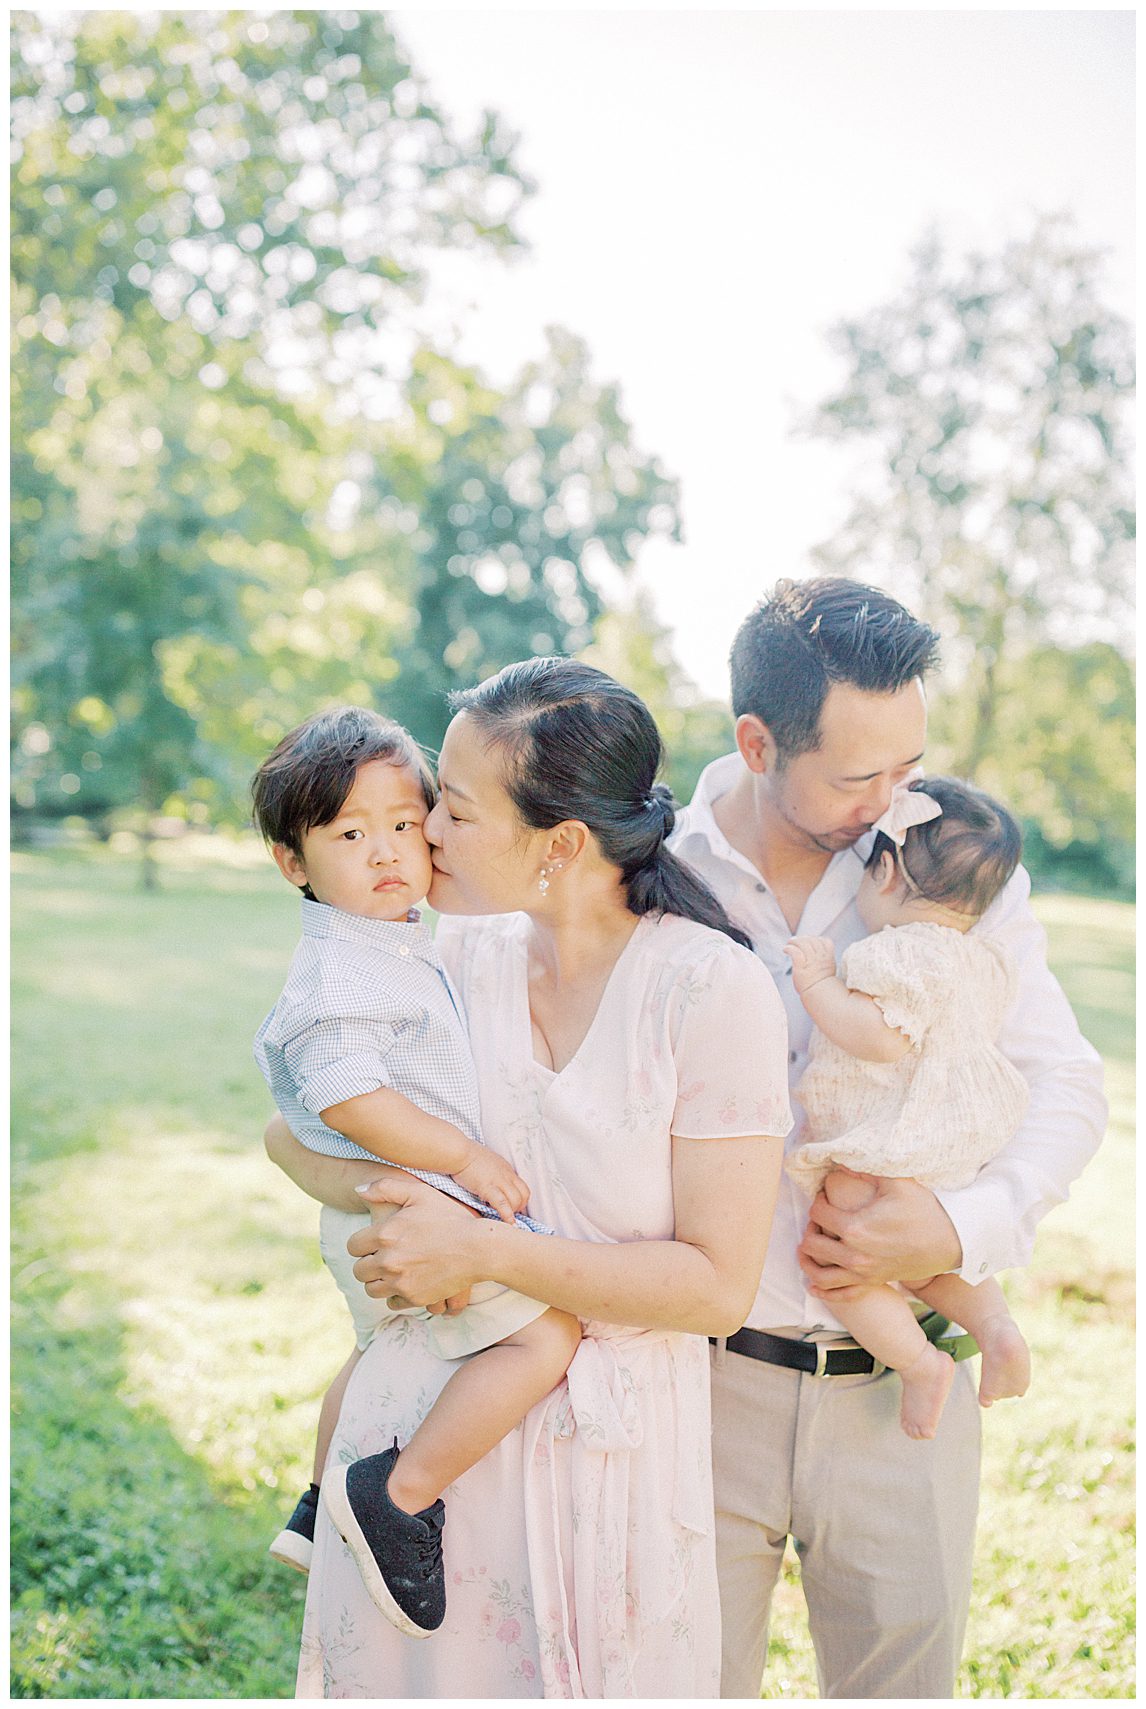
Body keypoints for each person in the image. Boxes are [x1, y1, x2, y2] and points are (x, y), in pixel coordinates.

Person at [265, 658, 794, 1697]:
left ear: (560, 843)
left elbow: (717, 1287)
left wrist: (484, 1247)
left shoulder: (707, 989)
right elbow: (289, 1138)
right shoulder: (449, 954)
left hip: (613, 1471)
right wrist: (395, 1205)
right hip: (416, 1459)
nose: (424, 836)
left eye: (451, 810)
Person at [662, 577, 1106, 1698]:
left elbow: (1065, 1085)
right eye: (858, 775)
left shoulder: (953, 866)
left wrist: (951, 1224)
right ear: (758, 740)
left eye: (906, 765)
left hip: (900, 1397)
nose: (893, 800)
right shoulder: (657, 869)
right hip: (699, 1385)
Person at [250, 706, 582, 1637]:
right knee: (543, 1333)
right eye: (351, 834)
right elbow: (353, 1098)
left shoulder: (385, 938)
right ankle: (398, 1497)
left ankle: (318, 1503)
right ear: (294, 861)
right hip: (403, 1200)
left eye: (405, 823)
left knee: (369, 1355)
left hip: (383, 1207)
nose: (389, 851)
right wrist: (462, 1154)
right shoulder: (341, 970)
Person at [784, 774, 1032, 1441]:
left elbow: (878, 1037)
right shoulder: (981, 958)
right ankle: (995, 1324)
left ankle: (921, 1364)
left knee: (838, 1261)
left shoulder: (895, 952)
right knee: (924, 1259)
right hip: (950, 1144)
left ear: (886, 870)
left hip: (888, 1140)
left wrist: (816, 981)